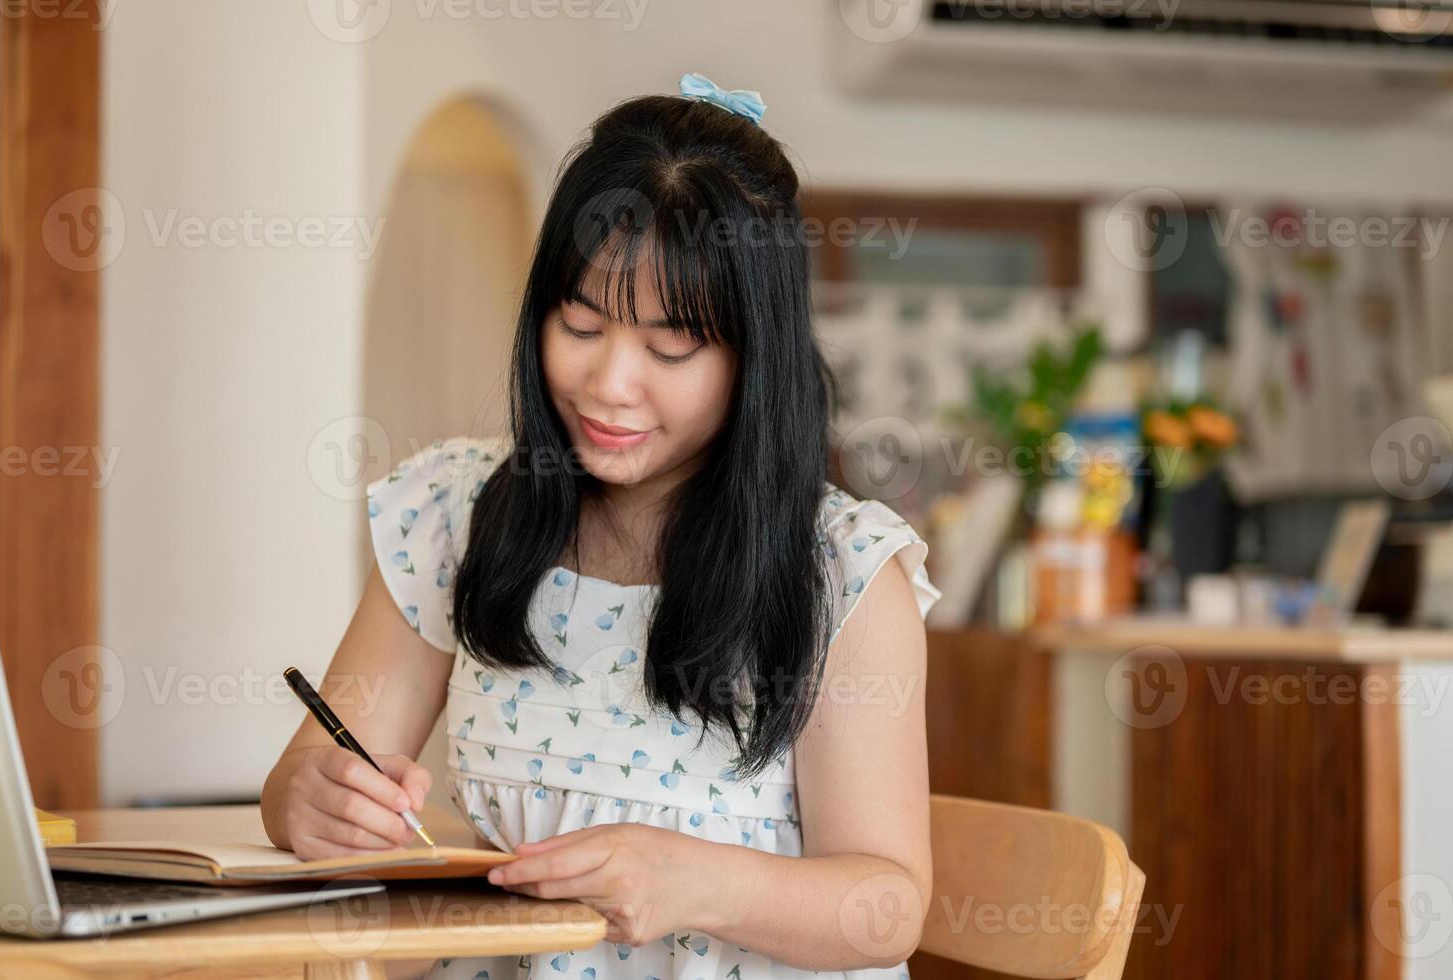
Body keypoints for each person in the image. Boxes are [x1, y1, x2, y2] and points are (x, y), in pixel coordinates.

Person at [260, 73, 942, 979]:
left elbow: (887, 907)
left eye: (670, 348)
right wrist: (307, 802)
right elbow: (304, 780)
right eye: (579, 326)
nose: (610, 386)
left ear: (756, 358)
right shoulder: (457, 515)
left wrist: (699, 883)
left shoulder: (841, 576)